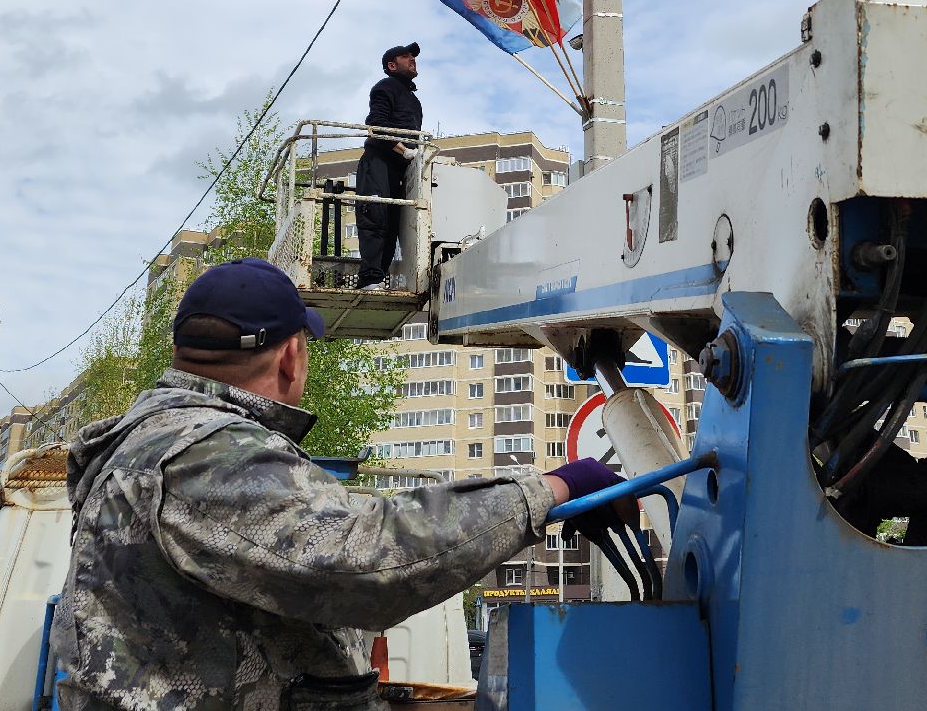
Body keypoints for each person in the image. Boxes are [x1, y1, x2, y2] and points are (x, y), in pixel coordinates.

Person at [50, 258, 619, 711]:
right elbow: (365, 561)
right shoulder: (210, 454)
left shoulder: (152, 441)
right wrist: (546, 491)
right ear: (292, 356)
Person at [355, 42, 422, 291]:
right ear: (391, 65)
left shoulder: (414, 101)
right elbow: (376, 126)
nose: (412, 59)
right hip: (379, 162)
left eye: (413, 56)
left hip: (399, 168)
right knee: (376, 216)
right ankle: (370, 278)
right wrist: (404, 151)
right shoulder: (385, 87)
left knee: (394, 223)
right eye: (406, 56)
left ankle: (378, 277)